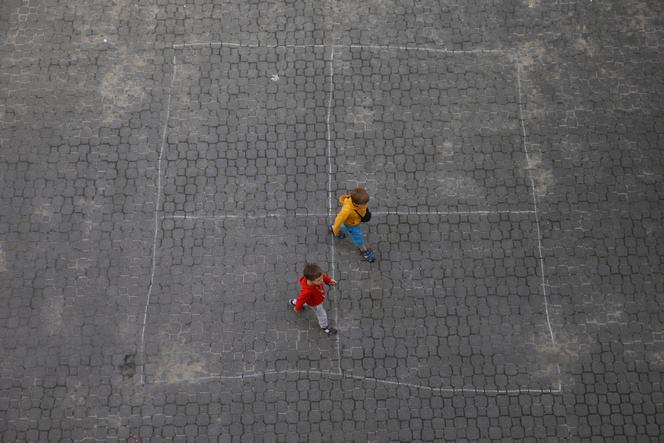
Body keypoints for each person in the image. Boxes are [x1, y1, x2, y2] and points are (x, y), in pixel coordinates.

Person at [289, 262, 338, 335]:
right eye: (318, 280)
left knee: (304, 301)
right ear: (310, 280)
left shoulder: (316, 277)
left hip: (312, 299)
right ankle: (325, 327)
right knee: (322, 314)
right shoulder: (307, 291)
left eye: (321, 278)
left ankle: (294, 302)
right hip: (315, 303)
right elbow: (301, 299)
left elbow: (323, 276)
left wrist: (329, 280)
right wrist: (297, 308)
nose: (321, 281)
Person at [329, 187, 376, 262]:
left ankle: (333, 227)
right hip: (352, 225)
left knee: (345, 227)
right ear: (356, 204)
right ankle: (363, 250)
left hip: (353, 221)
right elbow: (338, 220)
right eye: (363, 204)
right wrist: (336, 230)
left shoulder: (359, 200)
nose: (365, 205)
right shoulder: (346, 210)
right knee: (358, 236)